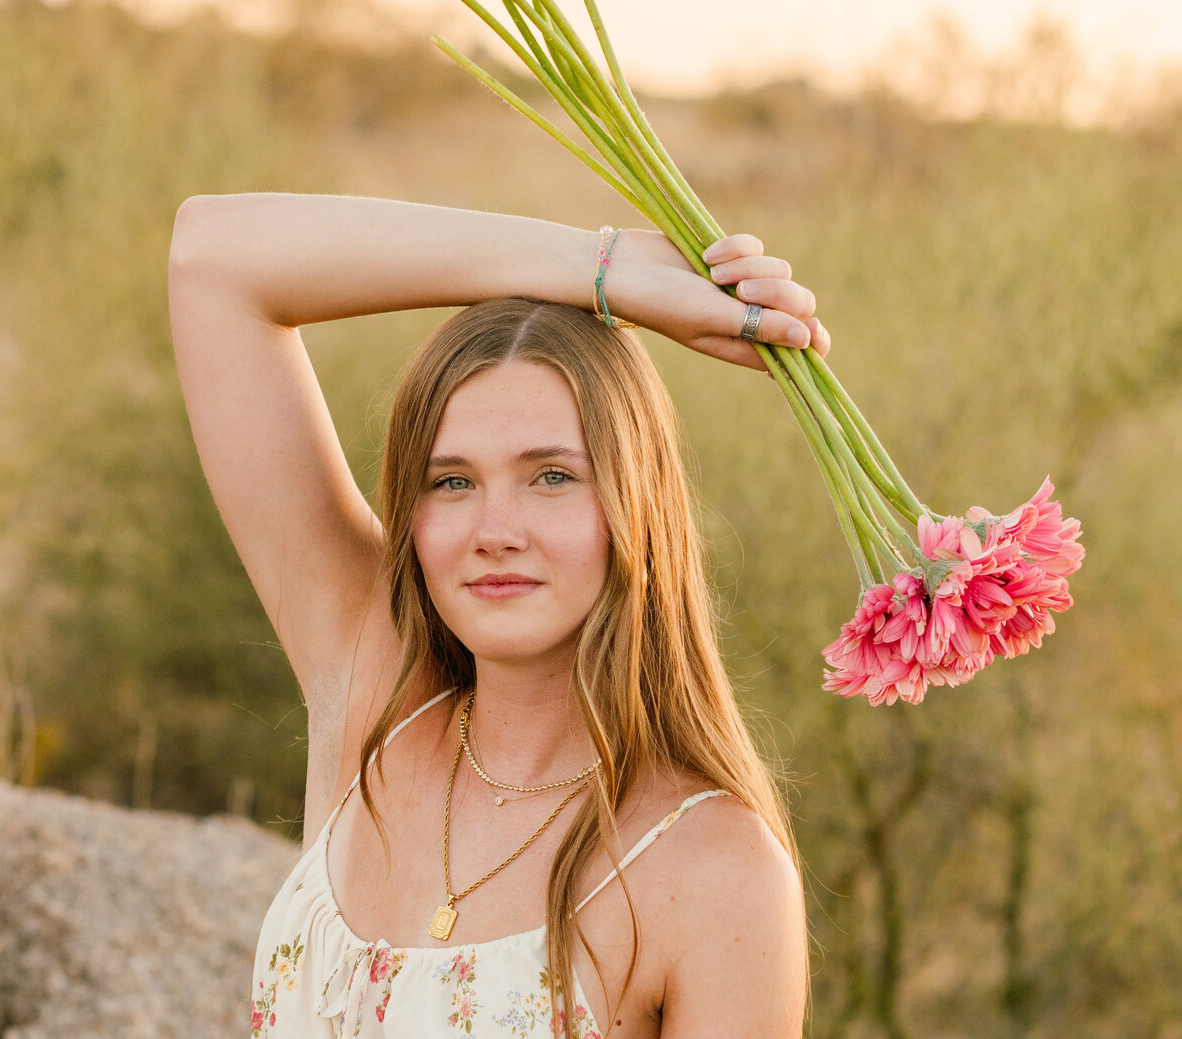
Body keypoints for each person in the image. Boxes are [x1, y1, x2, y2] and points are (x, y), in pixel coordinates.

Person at [166, 193, 824, 1038]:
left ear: (636, 500)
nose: (494, 532)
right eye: (452, 481)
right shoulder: (376, 701)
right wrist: (604, 267)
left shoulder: (713, 871)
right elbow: (212, 258)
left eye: (550, 475)